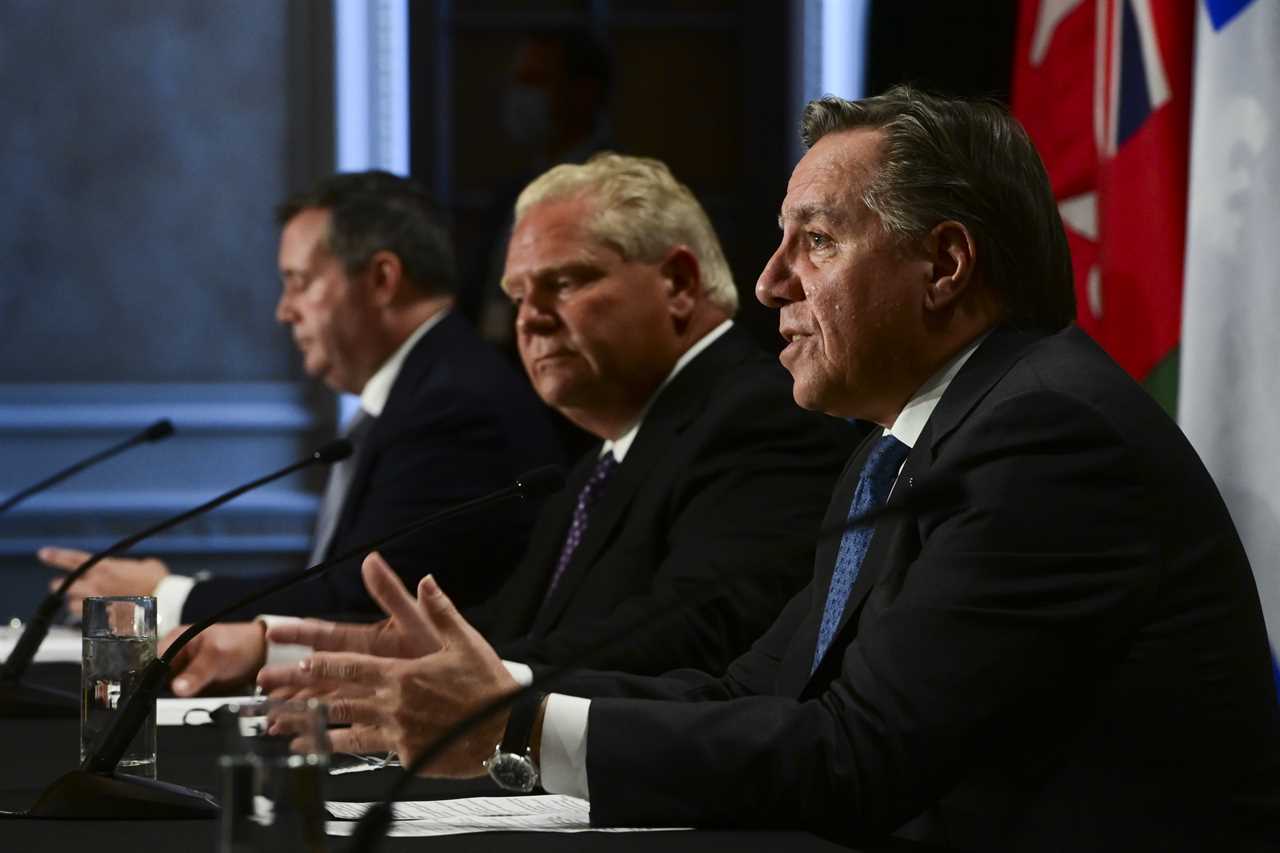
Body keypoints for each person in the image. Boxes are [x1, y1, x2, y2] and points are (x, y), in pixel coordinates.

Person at [260, 88, 1280, 852]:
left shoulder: (1049, 440)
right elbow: (748, 687)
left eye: (816, 242)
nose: (766, 282)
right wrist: (491, 686)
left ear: (944, 264)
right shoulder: (908, 440)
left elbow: (856, 756)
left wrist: (510, 721)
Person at [159, 153, 860, 694]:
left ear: (677, 283)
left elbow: (687, 633)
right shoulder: (599, 460)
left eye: (564, 282)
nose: (530, 317)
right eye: (518, 295)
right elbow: (497, 631)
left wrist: (467, 683)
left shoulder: (758, 417)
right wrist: (285, 645)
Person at [40, 171, 562, 693]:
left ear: (382, 279)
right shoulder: (423, 391)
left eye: (299, 281)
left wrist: (167, 593)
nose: (284, 310)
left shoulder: (454, 407)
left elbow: (359, 600)